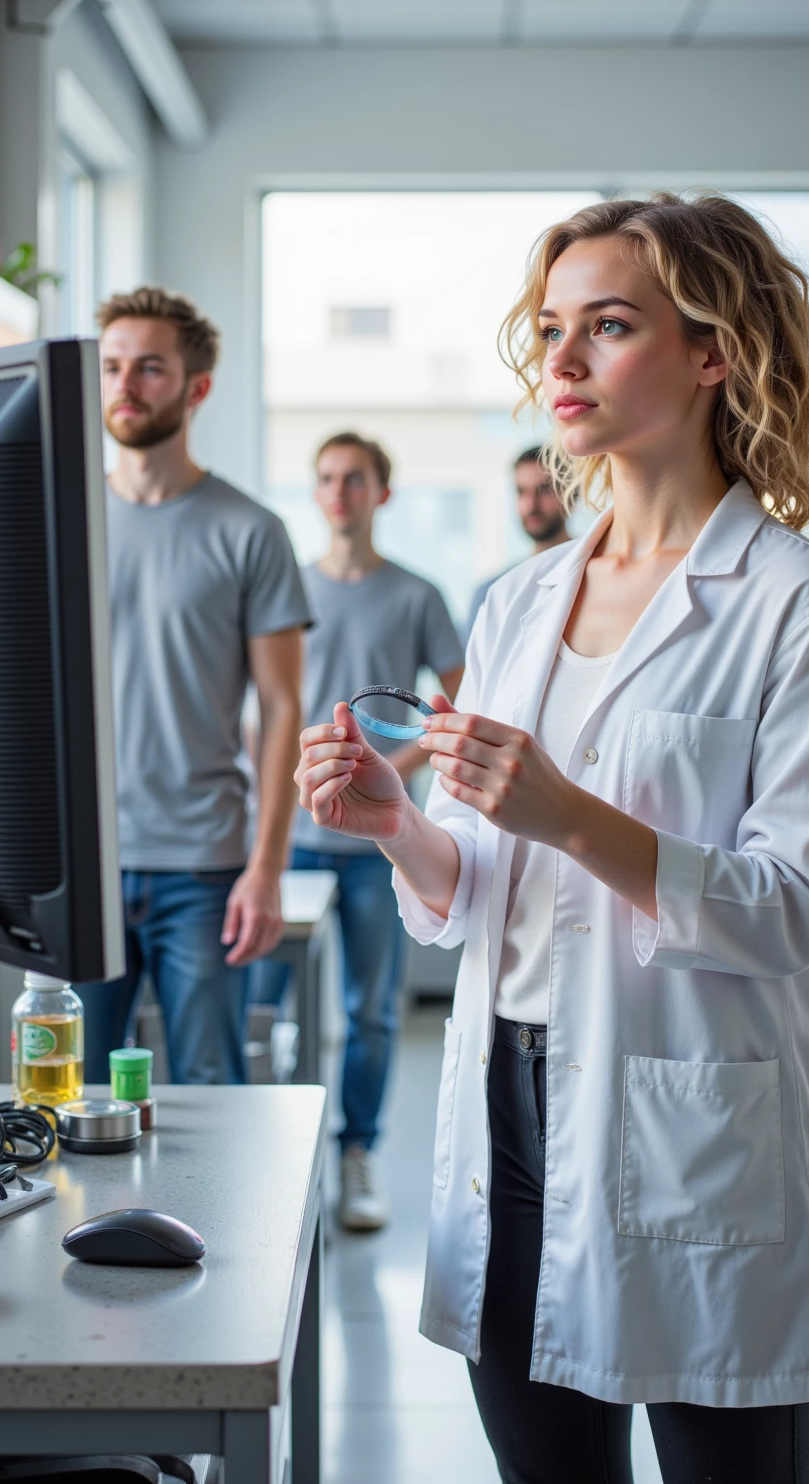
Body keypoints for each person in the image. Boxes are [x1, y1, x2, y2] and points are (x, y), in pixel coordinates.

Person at [294, 194, 809, 1484]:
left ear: (713, 353)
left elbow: (793, 913)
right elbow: (489, 894)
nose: (558, 362)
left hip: (685, 1117)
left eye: (608, 327)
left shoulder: (805, 605)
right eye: (552, 328)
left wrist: (570, 815)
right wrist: (399, 821)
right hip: (507, 1104)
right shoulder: (520, 601)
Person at [78, 286, 312, 1087]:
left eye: (148, 367)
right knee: (71, 1097)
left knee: (212, 1095)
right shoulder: (63, 524)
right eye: (111, 367)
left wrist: (267, 867)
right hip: (81, 864)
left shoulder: (250, 530)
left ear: (195, 387)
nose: (125, 385)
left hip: (205, 867)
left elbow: (282, 708)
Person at [253, 432, 464, 1231]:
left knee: (372, 1010)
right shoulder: (287, 592)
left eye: (355, 479)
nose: (339, 492)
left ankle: (357, 1154)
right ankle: (275, 1155)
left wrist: (400, 772)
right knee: (268, 1011)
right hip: (297, 838)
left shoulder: (417, 595)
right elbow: (263, 714)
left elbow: (460, 703)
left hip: (382, 844)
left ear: (383, 493)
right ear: (315, 493)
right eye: (326, 479)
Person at [464, 445, 570, 637]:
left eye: (544, 490)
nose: (531, 505)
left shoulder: (598, 576)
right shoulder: (492, 593)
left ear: (571, 493)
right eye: (522, 492)